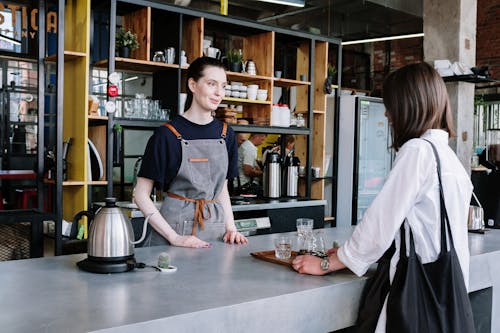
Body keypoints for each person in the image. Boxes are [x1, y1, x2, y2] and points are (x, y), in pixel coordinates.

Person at [292, 62, 473, 330]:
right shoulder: (447, 156)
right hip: (446, 290)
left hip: (417, 292)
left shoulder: (417, 151)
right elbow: (424, 228)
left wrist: (328, 263)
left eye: (391, 105)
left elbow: (379, 224)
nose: (387, 114)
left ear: (408, 106)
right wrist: (345, 253)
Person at [134, 56, 248, 248]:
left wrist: (231, 227)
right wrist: (174, 237)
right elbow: (140, 194)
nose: (219, 93)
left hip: (216, 230)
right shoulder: (167, 135)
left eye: (223, 86)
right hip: (174, 232)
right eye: (211, 84)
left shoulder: (226, 134)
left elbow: (222, 189)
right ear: (193, 85)